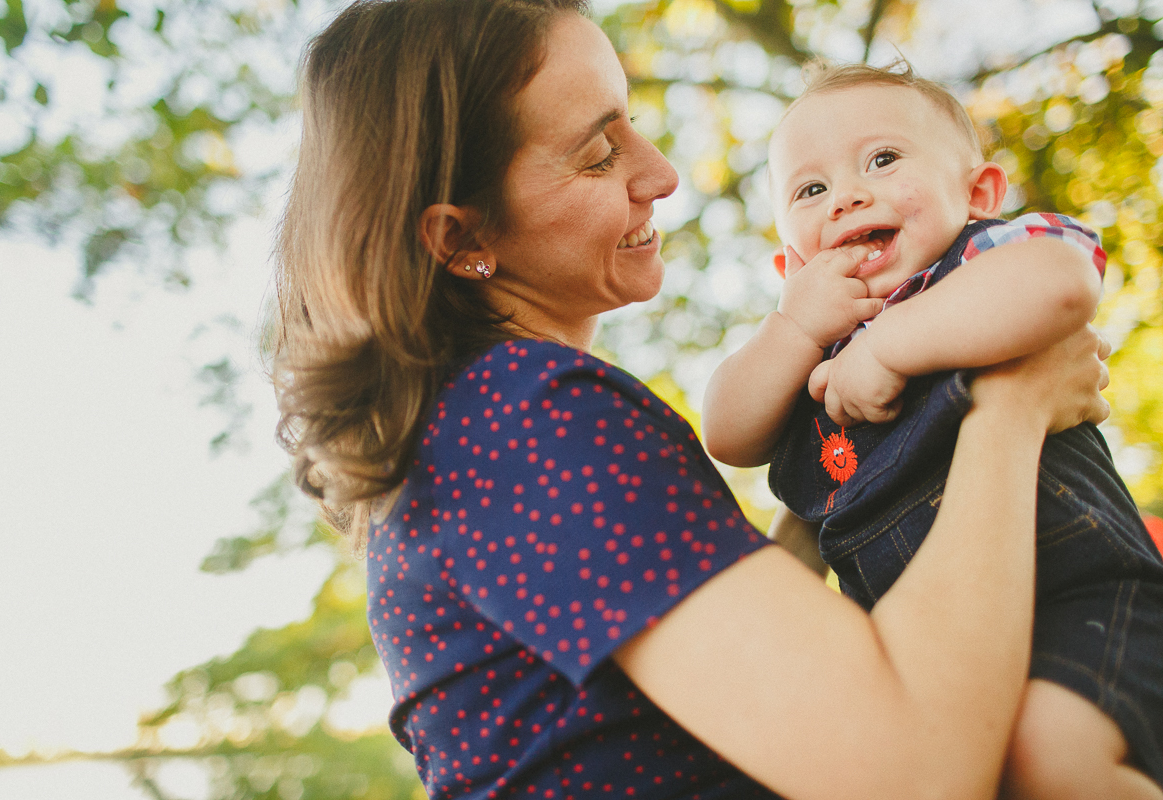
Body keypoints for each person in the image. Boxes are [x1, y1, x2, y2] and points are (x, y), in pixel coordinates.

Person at [270, 3, 1113, 798]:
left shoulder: (477, 427)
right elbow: (913, 774)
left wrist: (832, 491)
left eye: (631, 121)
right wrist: (1013, 405)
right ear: (463, 237)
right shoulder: (526, 419)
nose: (662, 173)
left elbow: (740, 686)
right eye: (600, 154)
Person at [703, 62, 1163, 798]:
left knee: (1050, 757)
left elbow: (1062, 283)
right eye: (810, 189)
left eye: (882, 160)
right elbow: (727, 432)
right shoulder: (807, 350)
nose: (849, 194)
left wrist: (889, 346)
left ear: (977, 195)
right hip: (922, 647)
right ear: (788, 261)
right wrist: (792, 324)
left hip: (1075, 590)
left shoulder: (979, 261)